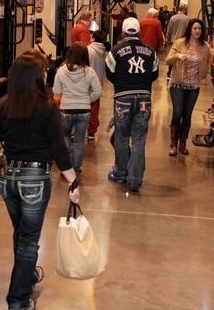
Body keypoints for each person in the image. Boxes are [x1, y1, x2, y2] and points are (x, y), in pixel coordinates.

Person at [0, 55, 80, 310]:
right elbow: (58, 148)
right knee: (29, 240)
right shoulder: (47, 107)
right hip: (34, 179)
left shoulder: (3, 106)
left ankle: (28, 275)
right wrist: (73, 181)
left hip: (6, 178)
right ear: (38, 78)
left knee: (21, 232)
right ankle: (18, 300)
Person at [104, 17, 159, 193]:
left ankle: (120, 172)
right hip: (144, 98)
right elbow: (154, 74)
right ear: (139, 32)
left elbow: (110, 74)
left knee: (121, 137)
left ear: (123, 31)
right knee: (138, 140)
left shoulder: (115, 51)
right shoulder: (150, 52)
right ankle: (135, 180)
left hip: (123, 99)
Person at [165, 19, 213, 155]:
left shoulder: (205, 47)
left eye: (199, 29)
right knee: (178, 111)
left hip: (194, 85)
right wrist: (178, 55)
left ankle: (183, 143)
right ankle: (173, 143)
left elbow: (210, 61)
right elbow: (168, 60)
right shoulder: (180, 43)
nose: (197, 31)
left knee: (187, 114)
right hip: (177, 83)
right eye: (194, 28)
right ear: (190, 30)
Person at [53, 42, 102, 175]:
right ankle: (76, 168)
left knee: (65, 138)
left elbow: (56, 90)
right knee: (79, 142)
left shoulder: (61, 71)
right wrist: (87, 99)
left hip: (65, 110)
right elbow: (98, 91)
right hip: (84, 111)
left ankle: (66, 168)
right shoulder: (89, 71)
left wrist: (64, 98)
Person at [87, 30, 109, 140]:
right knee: (94, 109)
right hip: (98, 83)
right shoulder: (104, 51)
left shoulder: (88, 50)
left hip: (86, 83)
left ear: (93, 38)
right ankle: (91, 132)